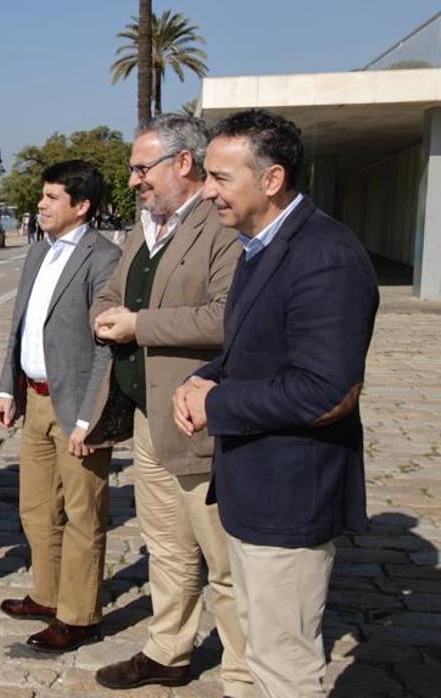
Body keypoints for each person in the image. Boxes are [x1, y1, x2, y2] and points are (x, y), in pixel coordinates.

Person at [174, 109, 378, 698]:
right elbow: (253, 349)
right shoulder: (258, 246)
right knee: (262, 652)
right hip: (253, 488)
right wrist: (201, 379)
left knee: (284, 669)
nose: (206, 191)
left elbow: (327, 390)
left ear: (272, 179)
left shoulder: (325, 254)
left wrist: (217, 403)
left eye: (220, 178)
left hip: (289, 495)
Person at [88, 114, 251, 695]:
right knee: (166, 548)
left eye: (141, 168)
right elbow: (110, 293)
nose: (134, 180)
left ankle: (242, 673)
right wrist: (104, 316)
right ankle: (168, 650)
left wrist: (139, 325)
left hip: (197, 424)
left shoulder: (221, 226)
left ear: (183, 163)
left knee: (224, 562)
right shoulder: (146, 227)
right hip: (147, 418)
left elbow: (229, 316)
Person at [0, 160, 121, 653]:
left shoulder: (103, 258)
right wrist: (8, 389)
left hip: (76, 410)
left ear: (81, 205)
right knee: (36, 508)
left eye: (51, 197)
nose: (40, 205)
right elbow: (21, 326)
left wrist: (90, 417)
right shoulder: (39, 251)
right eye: (42, 196)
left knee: (84, 515)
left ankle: (79, 616)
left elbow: (107, 348)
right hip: (35, 400)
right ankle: (47, 595)